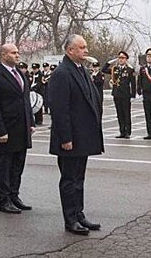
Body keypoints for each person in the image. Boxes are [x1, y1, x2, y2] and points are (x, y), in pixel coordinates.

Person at [49, 34, 104, 236]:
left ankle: (79, 215)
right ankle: (70, 220)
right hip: (70, 139)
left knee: (79, 179)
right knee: (69, 180)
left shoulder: (81, 70)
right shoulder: (62, 73)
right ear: (70, 50)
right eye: (81, 47)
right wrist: (66, 138)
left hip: (83, 137)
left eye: (86, 47)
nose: (86, 50)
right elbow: (59, 109)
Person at [0, 44, 34, 214]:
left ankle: (14, 195)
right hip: (7, 128)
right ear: (4, 55)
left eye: (18, 52)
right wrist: (0, 130)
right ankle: (4, 199)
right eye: (13, 53)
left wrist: (31, 122)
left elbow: (26, 100)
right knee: (5, 165)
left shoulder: (20, 74)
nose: (17, 55)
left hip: (22, 128)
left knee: (18, 164)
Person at [102, 51, 136, 138]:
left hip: (125, 95)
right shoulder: (115, 69)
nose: (120, 60)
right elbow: (104, 69)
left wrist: (133, 95)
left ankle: (127, 132)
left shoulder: (129, 70)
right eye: (119, 58)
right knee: (119, 114)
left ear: (126, 59)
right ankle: (122, 131)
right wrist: (110, 62)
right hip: (116, 94)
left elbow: (133, 83)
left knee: (126, 114)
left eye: (122, 58)